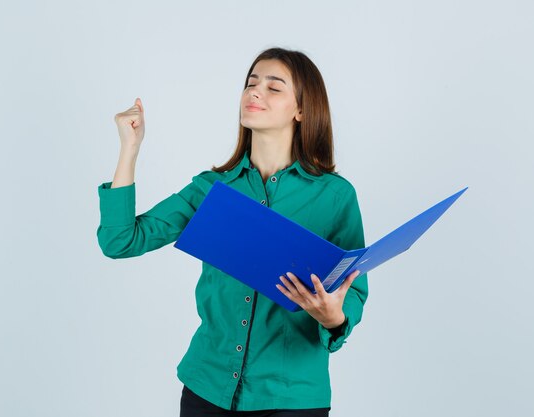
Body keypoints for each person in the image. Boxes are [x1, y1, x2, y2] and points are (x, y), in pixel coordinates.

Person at [96, 47, 368, 416]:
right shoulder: (211, 190)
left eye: (274, 88)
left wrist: (334, 317)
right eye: (251, 83)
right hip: (206, 389)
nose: (254, 92)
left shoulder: (335, 196)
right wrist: (129, 149)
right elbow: (120, 241)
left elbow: (354, 291)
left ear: (302, 110)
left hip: (291, 399)